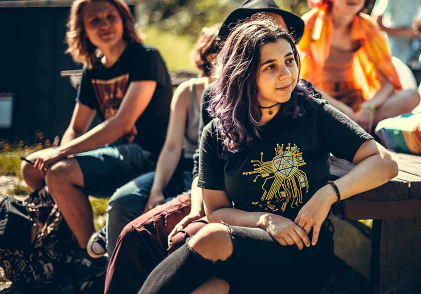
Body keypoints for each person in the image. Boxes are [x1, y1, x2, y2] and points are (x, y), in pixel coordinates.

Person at [138, 15, 398, 294]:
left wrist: (328, 194)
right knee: (209, 289)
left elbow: (384, 163)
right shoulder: (217, 132)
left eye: (289, 60)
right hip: (244, 249)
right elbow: (216, 211)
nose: (286, 74)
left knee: (212, 237)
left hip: (303, 252)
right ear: (244, 73)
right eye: (270, 67)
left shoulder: (313, 114)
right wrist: (265, 219)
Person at [104, 0, 307, 294]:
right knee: (135, 233)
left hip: (259, 214)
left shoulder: (301, 99)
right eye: (257, 27)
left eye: (276, 30)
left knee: (182, 240)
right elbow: (203, 165)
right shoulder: (216, 96)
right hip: (212, 196)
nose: (267, 36)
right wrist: (197, 208)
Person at [21, 0, 172, 291]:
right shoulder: (93, 69)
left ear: (124, 20)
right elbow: (76, 127)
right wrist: (60, 153)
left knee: (60, 172)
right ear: (83, 30)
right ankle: (73, 243)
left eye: (110, 17)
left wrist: (60, 155)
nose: (104, 24)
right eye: (95, 21)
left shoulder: (145, 57)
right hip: (116, 153)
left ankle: (92, 260)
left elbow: (122, 123)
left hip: (149, 155)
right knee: (31, 169)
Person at [89, 25, 221, 259]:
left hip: (206, 175)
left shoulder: (236, 95)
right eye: (216, 52)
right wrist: (156, 189)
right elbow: (171, 147)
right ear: (207, 56)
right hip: (180, 166)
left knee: (165, 211)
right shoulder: (187, 92)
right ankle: (111, 264)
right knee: (122, 200)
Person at [299, 0, 419, 133]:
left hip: (355, 100)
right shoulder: (310, 24)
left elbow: (388, 81)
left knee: (411, 96)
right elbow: (300, 80)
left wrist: (369, 107)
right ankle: (356, 130)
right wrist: (341, 110)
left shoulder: (368, 27)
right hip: (319, 98)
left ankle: (354, 128)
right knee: (303, 102)